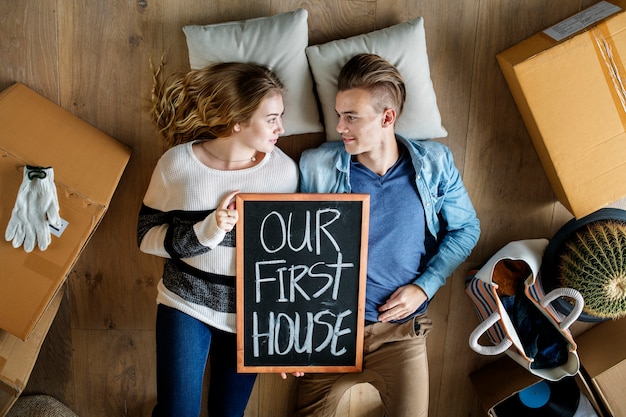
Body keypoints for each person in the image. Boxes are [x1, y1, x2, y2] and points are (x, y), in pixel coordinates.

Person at [294, 53, 480, 417]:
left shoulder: (435, 164)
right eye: (338, 115)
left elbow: (466, 228)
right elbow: (291, 251)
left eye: (351, 117)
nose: (340, 127)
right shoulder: (316, 165)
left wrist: (426, 284)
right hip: (328, 333)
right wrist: (292, 339)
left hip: (399, 334)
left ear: (387, 117)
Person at [137, 62, 299, 417]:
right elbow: (145, 236)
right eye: (271, 118)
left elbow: (289, 262)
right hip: (186, 304)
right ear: (237, 121)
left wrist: (287, 339)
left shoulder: (283, 174)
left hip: (249, 317)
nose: (282, 128)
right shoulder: (177, 165)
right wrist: (207, 232)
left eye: (281, 116)